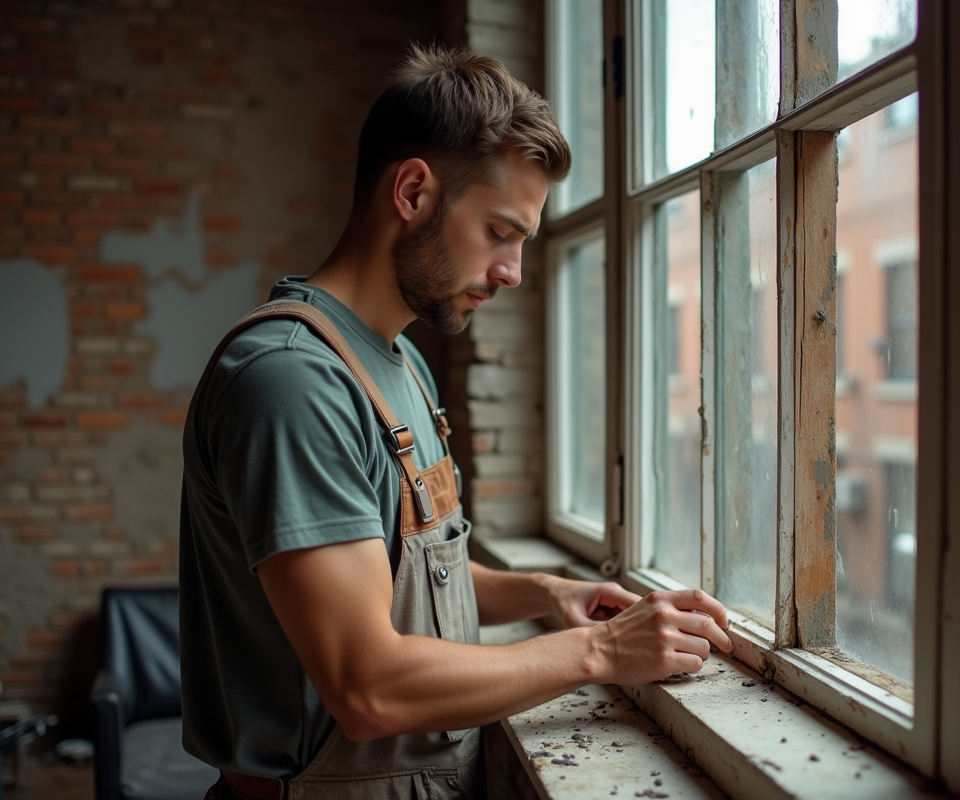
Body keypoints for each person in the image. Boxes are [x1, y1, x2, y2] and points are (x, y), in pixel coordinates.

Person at [178, 45, 733, 800]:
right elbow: (368, 687)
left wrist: (546, 592)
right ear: (412, 190)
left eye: (523, 243)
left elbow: (394, 577)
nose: (512, 272)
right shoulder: (291, 381)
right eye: (500, 232)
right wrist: (602, 650)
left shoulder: (400, 362)